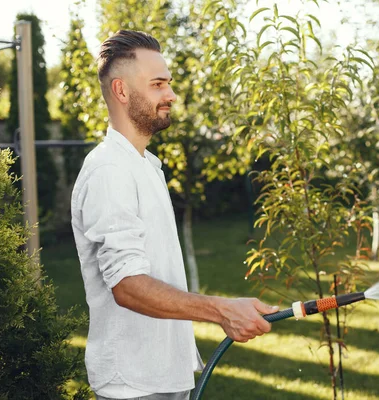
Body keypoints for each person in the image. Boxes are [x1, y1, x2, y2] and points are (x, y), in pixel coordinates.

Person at [71, 30, 278, 400]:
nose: (171, 95)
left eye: (168, 83)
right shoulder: (109, 171)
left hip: (162, 376)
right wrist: (221, 310)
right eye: (158, 84)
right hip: (133, 385)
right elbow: (127, 285)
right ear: (121, 91)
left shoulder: (145, 164)